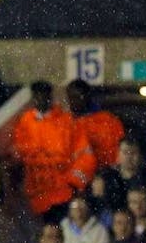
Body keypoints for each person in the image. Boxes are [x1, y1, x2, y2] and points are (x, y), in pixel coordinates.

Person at [11, 80, 95, 220]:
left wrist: (74, 181)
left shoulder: (66, 122)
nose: (40, 99)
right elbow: (19, 154)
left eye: (43, 96)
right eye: (36, 96)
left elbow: (85, 155)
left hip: (61, 194)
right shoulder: (25, 122)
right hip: (34, 195)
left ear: (50, 97)